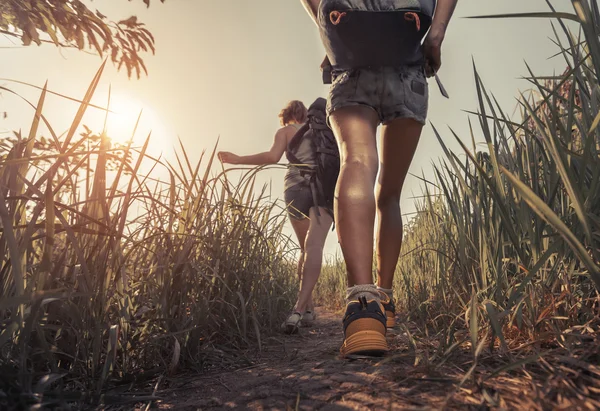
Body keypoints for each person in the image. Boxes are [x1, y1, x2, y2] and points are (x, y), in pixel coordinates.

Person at [300, 0, 458, 356]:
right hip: (408, 65)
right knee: (390, 193)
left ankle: (362, 309)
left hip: (351, 65)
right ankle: (384, 302)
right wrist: (436, 36)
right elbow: (436, 26)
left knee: (357, 161)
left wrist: (329, 37)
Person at [218, 99, 335, 334]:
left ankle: (306, 310)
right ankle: (302, 309)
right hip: (323, 186)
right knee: (314, 247)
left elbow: (273, 157)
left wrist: (238, 159)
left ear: (286, 116)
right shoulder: (324, 131)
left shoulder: (285, 131)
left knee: (304, 248)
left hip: (295, 187)